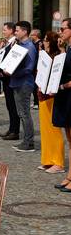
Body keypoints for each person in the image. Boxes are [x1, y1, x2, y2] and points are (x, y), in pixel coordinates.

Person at [37, 31, 65, 173]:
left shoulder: (58, 56)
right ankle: (48, 159)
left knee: (54, 130)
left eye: (46, 40)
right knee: (45, 130)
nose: (44, 42)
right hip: (42, 94)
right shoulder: (45, 56)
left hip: (52, 95)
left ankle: (58, 162)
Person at [7, 21, 37, 152]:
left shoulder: (29, 47)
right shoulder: (19, 45)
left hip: (24, 83)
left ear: (25, 32)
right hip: (17, 82)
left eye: (17, 30)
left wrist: (12, 72)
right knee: (21, 113)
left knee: (24, 113)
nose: (15, 32)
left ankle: (29, 142)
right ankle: (27, 140)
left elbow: (29, 68)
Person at [52, 18, 71, 193]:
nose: (60, 32)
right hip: (65, 96)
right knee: (70, 139)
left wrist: (64, 85)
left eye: (63, 29)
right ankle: (70, 176)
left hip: (69, 94)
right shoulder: (68, 49)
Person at [0, 22, 20, 141]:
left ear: (11, 30)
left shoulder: (15, 43)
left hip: (10, 77)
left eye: (5, 30)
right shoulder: (8, 44)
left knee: (13, 105)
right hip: (5, 77)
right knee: (9, 105)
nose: (3, 32)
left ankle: (15, 131)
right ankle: (11, 129)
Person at [30, 28, 43, 109]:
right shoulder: (33, 43)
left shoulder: (40, 43)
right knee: (33, 86)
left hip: (37, 68)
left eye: (32, 35)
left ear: (36, 35)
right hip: (33, 67)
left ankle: (37, 103)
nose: (30, 36)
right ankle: (35, 101)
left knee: (36, 86)